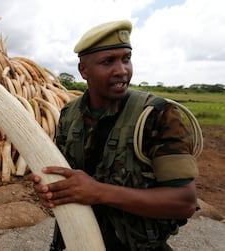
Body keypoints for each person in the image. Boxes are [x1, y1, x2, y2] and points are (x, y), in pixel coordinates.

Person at [28, 20, 199, 251]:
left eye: (126, 59)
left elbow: (184, 202)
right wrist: (49, 188)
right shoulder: (69, 114)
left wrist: (98, 192)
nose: (122, 70)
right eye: (108, 61)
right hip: (73, 243)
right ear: (83, 70)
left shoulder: (158, 115)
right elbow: (64, 176)